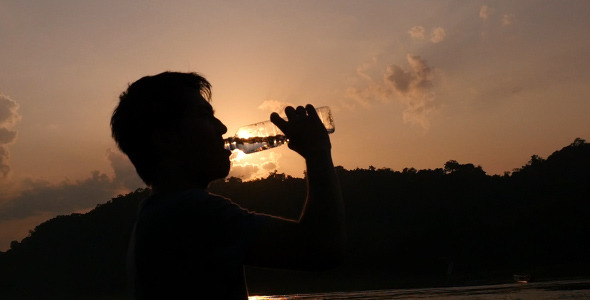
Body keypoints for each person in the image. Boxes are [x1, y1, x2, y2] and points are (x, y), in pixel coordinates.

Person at [110, 71, 344, 299]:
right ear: (165, 139)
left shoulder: (156, 215)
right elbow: (320, 248)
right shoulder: (190, 213)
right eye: (204, 116)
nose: (222, 128)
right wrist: (318, 152)